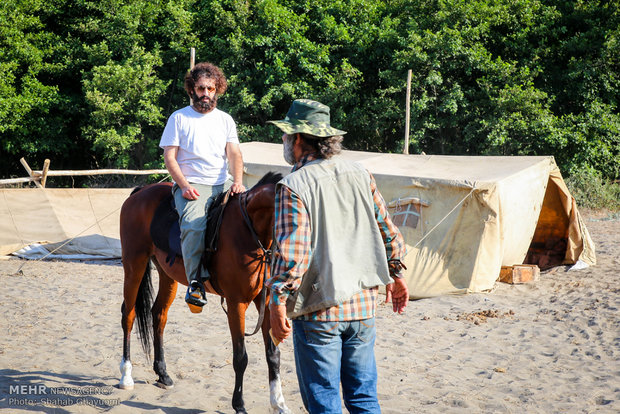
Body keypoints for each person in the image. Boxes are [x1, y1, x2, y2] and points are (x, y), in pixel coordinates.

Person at [266, 99, 409, 413]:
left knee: (325, 403)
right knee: (363, 399)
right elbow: (387, 228)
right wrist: (396, 274)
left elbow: (294, 254)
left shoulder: (292, 185)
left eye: (286, 135)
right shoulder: (359, 171)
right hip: (364, 305)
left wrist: (276, 299)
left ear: (300, 139)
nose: (283, 141)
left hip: (320, 312)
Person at [159, 62, 245, 312]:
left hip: (223, 182)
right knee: (195, 225)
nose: (205, 93)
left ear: (217, 89)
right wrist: (183, 185)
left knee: (250, 215)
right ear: (191, 89)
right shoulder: (179, 118)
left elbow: (235, 155)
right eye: (200, 88)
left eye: (210, 88)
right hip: (191, 185)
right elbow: (170, 158)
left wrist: (238, 182)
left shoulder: (225, 120)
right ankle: (195, 282)